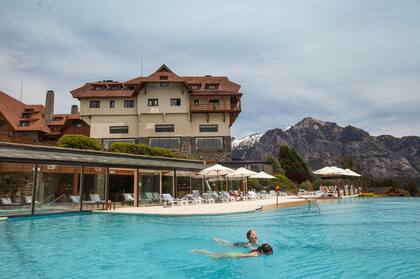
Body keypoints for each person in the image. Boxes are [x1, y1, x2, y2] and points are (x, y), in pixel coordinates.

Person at [192, 243, 273, 258]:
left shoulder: (257, 251)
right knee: (213, 255)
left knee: (214, 255)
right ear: (263, 251)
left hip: (233, 255)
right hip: (232, 255)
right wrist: (228, 255)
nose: (269, 254)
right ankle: (200, 250)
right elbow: (241, 255)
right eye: (268, 253)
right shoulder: (255, 254)